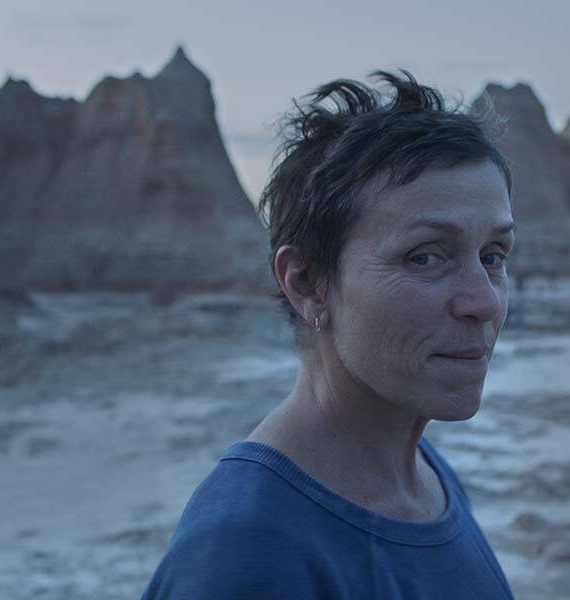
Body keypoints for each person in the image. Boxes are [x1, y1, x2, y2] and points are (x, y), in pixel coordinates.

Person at [141, 70, 516, 599]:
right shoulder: (245, 556)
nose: (484, 302)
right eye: (425, 256)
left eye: (493, 256)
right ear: (308, 283)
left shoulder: (425, 477)